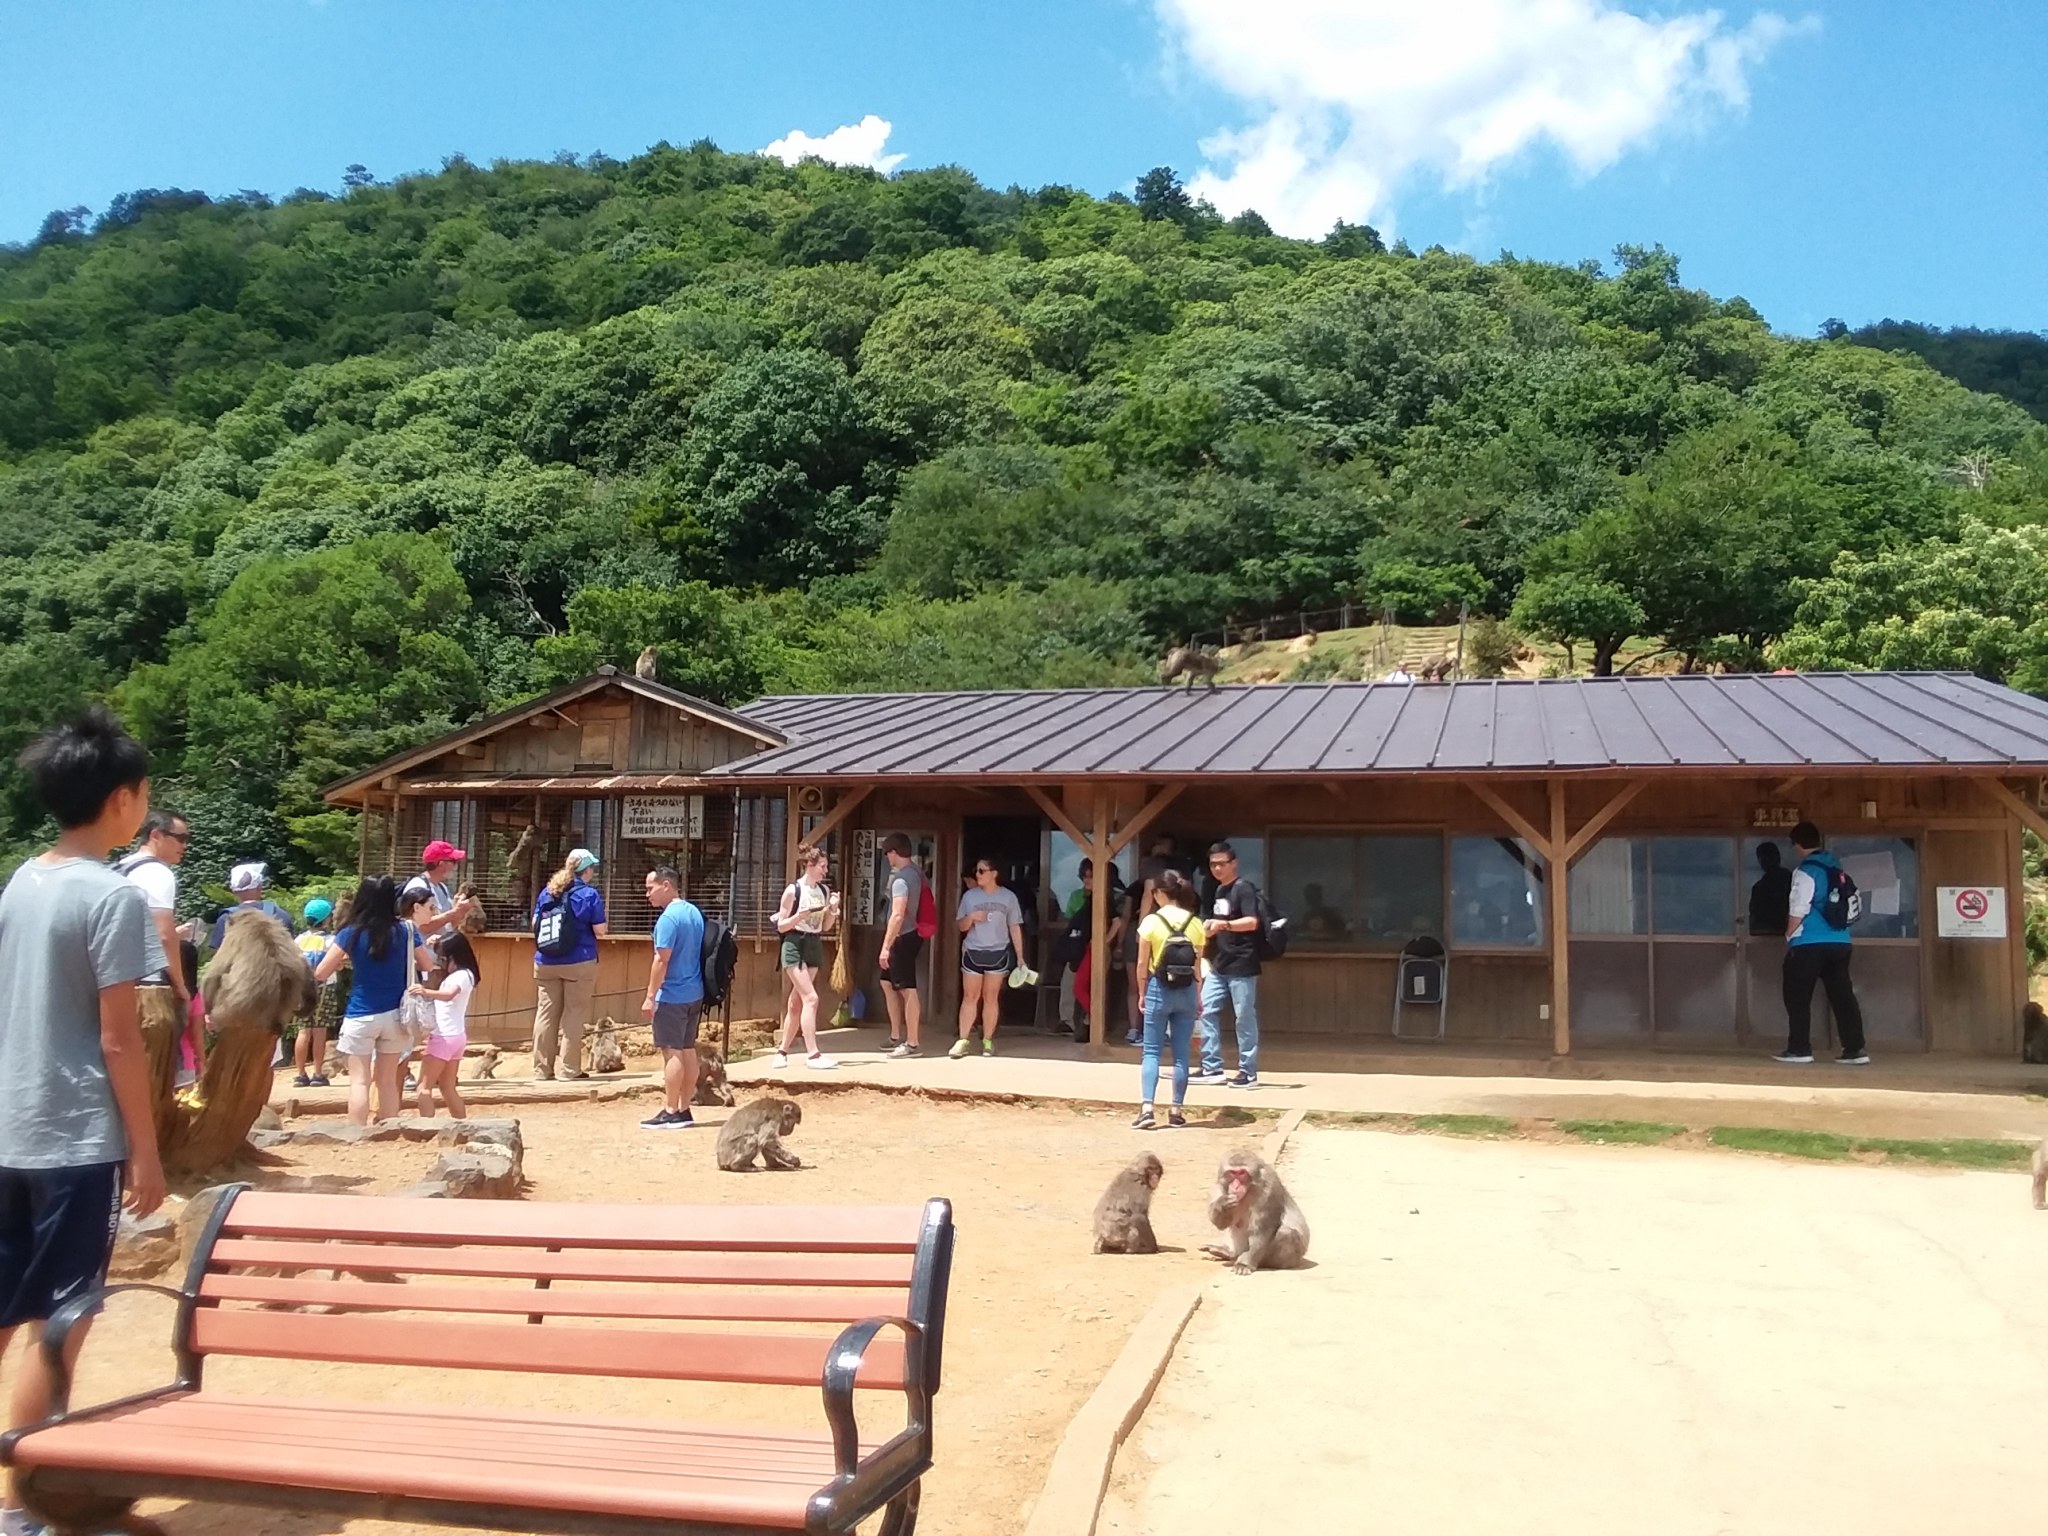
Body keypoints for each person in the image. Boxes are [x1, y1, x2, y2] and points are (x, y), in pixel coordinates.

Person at [0, 707, 166, 1536]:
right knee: (62, 1316)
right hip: (74, 1140)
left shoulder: (21, 882)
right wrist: (146, 1150)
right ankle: (19, 1504)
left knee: (8, 1311)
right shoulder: (113, 896)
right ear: (122, 799)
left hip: (10, 1127)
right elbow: (119, 1038)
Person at [314, 874, 433, 1125]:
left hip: (361, 1013)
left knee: (359, 1081)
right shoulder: (406, 930)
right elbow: (427, 964)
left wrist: (347, 961)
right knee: (387, 1080)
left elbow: (321, 973)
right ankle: (389, 1131)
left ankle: (356, 1133)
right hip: (396, 1015)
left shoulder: (350, 932)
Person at [1775, 822, 1869, 1066]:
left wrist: (1789, 934)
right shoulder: (1837, 869)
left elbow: (1799, 907)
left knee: (1797, 995)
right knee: (1842, 995)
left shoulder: (1807, 871)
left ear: (1797, 844)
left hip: (1809, 942)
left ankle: (1799, 1049)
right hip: (1841, 941)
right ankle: (1855, 1049)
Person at [1132, 869, 1208, 1131]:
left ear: (1159, 893)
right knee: (1181, 1053)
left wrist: (1142, 992)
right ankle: (1176, 1110)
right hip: (1186, 991)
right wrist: (1198, 996)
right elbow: (1198, 967)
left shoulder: (1152, 922)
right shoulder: (1196, 923)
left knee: (1151, 1051)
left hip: (1158, 987)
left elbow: (1142, 963)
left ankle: (1147, 1108)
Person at [1194, 840, 1266, 1088]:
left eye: (1222, 864)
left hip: (1242, 962)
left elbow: (1252, 922)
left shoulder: (1243, 888)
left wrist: (1222, 925)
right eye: (1213, 864)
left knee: (1243, 1016)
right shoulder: (1219, 891)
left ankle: (1248, 1071)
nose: (1217, 868)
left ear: (1234, 863)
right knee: (1206, 1010)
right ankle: (1211, 1066)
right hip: (1220, 962)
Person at [531, 848, 607, 1081]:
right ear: (587, 871)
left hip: (545, 961)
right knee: (574, 1014)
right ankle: (568, 1070)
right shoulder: (588, 895)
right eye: (592, 867)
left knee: (545, 1014)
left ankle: (541, 1069)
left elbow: (534, 923)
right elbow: (600, 930)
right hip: (579, 961)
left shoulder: (548, 891)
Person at [639, 864, 705, 1130]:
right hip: (694, 992)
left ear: (666, 885)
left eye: (650, 888)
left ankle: (670, 1110)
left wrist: (650, 995)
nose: (647, 894)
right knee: (688, 1050)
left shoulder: (668, 919)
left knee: (672, 1052)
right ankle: (684, 1109)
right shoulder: (694, 912)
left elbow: (661, 959)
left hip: (672, 995)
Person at [772, 844, 840, 1070]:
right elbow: (781, 925)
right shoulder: (793, 891)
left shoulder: (824, 891)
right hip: (794, 942)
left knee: (797, 1001)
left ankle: (782, 1051)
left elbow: (825, 926)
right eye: (822, 866)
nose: (825, 871)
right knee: (811, 998)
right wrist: (799, 917)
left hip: (813, 943)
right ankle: (813, 1054)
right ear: (809, 865)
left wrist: (833, 910)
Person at [953, 858, 1025, 1059]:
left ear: (994, 873)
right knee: (970, 996)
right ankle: (963, 1040)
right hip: (973, 950)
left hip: (998, 951)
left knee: (991, 997)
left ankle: (987, 1040)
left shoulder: (1009, 897)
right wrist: (971, 917)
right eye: (977, 870)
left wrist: (1020, 957)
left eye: (982, 871)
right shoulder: (969, 897)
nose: (978, 874)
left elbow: (1014, 927)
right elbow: (961, 926)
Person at [407, 930, 479, 1120]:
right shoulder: (467, 974)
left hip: (443, 1036)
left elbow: (448, 995)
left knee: (424, 1088)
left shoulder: (460, 976)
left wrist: (425, 991)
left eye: (444, 957)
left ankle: (427, 1128)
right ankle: (462, 1125)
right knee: (448, 1087)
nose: (441, 961)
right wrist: (436, 941)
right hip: (456, 1035)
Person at [878, 834, 926, 1059]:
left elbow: (897, 914)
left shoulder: (901, 879)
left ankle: (912, 1043)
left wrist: (886, 946)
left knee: (907, 988)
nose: (888, 858)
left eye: (888, 853)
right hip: (912, 933)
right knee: (887, 982)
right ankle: (896, 1034)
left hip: (902, 936)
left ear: (894, 852)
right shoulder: (917, 872)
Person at [290, 897, 337, 1087]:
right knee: (319, 1032)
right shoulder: (330, 940)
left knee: (303, 1031)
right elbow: (339, 963)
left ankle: (300, 1074)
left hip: (302, 988)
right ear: (326, 919)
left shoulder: (299, 940)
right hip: (326, 987)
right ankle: (318, 1074)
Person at [206, 861, 296, 952]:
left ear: (233, 891)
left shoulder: (226, 919)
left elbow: (219, 956)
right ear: (260, 887)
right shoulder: (280, 915)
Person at [401, 839, 478, 939]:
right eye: (454, 861)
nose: (456, 866)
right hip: (422, 948)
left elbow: (450, 926)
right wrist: (454, 912)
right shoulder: (418, 886)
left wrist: (461, 911)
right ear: (441, 863)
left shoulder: (442, 887)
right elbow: (422, 926)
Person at [1748, 842, 1792, 936]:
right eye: (1761, 859)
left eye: (1764, 858)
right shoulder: (1792, 880)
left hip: (1777, 931)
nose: (1762, 862)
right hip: (1776, 932)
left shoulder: (1760, 887)